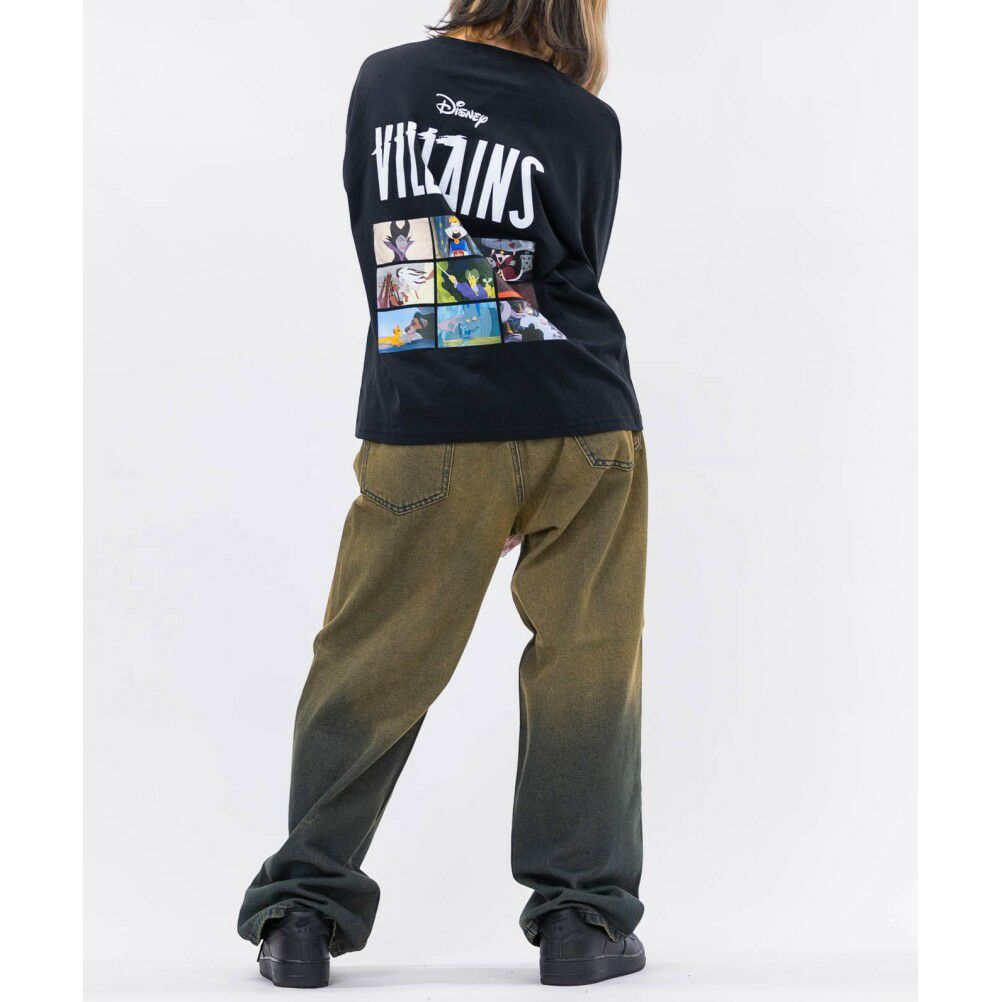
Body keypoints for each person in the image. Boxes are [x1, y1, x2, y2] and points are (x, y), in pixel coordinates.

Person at [239, 0, 647, 988]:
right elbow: (575, 266)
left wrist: (468, 441)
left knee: (368, 661)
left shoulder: (386, 82)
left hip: (430, 412)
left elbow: (377, 240)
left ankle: (302, 913)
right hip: (584, 420)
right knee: (587, 662)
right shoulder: (586, 120)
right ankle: (582, 920)